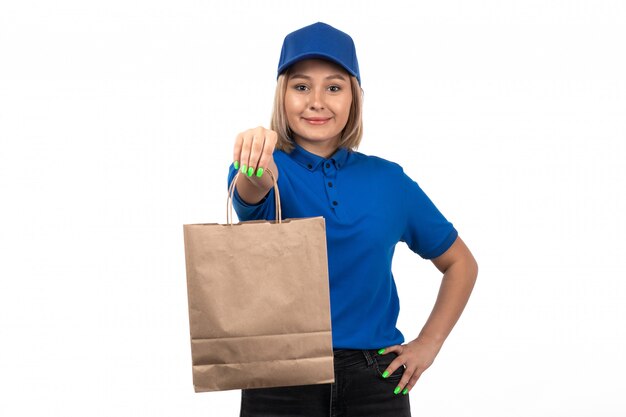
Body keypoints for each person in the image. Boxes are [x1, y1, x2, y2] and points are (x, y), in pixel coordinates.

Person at [227, 22, 478, 417]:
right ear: (282, 95)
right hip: (278, 379)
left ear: (354, 97)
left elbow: (460, 263)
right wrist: (255, 156)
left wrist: (429, 343)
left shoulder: (389, 181)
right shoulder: (267, 165)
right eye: (301, 86)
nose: (316, 101)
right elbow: (250, 192)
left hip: (375, 381)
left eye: (333, 87)